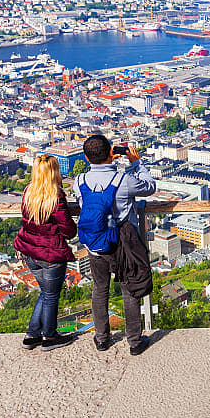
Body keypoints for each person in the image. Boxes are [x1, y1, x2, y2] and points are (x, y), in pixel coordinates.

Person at [76, 134, 156, 356]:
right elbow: (149, 187)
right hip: (122, 244)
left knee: (99, 290)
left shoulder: (80, 181)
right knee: (129, 289)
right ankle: (134, 341)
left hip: (95, 244)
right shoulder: (122, 180)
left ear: (86, 157)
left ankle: (102, 338)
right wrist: (136, 163)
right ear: (111, 153)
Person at [15, 154, 77, 351]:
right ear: (54, 172)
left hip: (29, 251)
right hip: (50, 254)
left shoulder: (28, 191)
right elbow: (68, 230)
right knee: (51, 296)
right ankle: (48, 337)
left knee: (46, 293)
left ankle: (32, 335)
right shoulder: (55, 196)